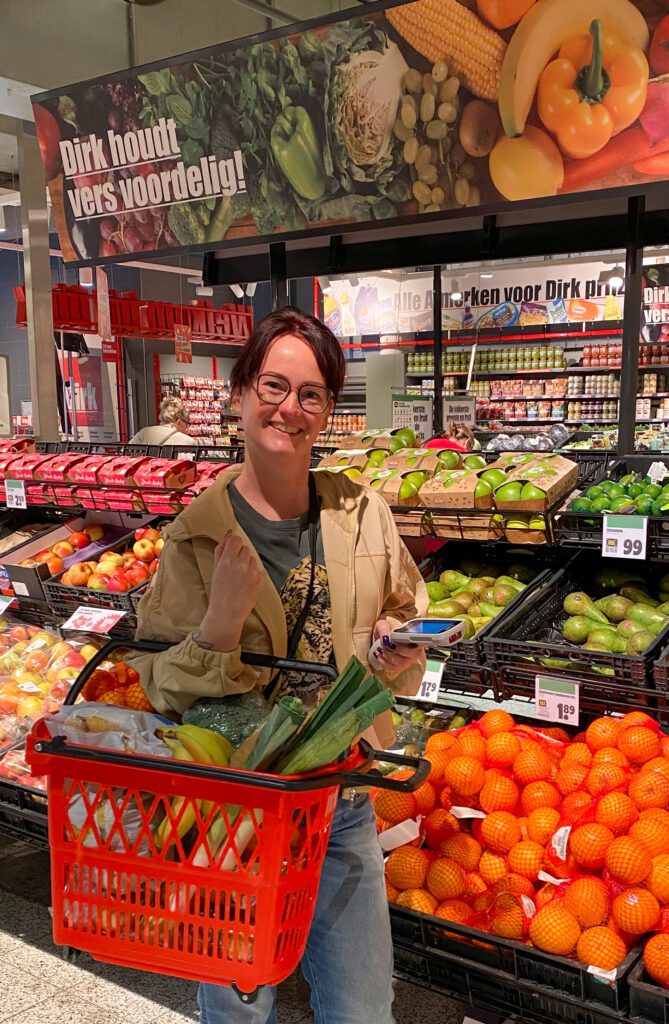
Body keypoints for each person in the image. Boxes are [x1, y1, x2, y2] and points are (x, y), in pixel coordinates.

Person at [133, 306, 428, 1024]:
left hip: (342, 800)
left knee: (363, 1009)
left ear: (326, 412)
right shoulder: (195, 537)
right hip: (234, 815)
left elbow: (404, 614)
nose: (288, 408)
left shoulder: (362, 513)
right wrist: (218, 626)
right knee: (239, 1011)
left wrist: (399, 642)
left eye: (310, 394)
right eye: (272, 386)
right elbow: (157, 684)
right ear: (240, 393)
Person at [130, 397, 196, 445]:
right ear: (179, 422)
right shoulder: (188, 442)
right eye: (187, 424)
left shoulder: (143, 433)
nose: (187, 429)